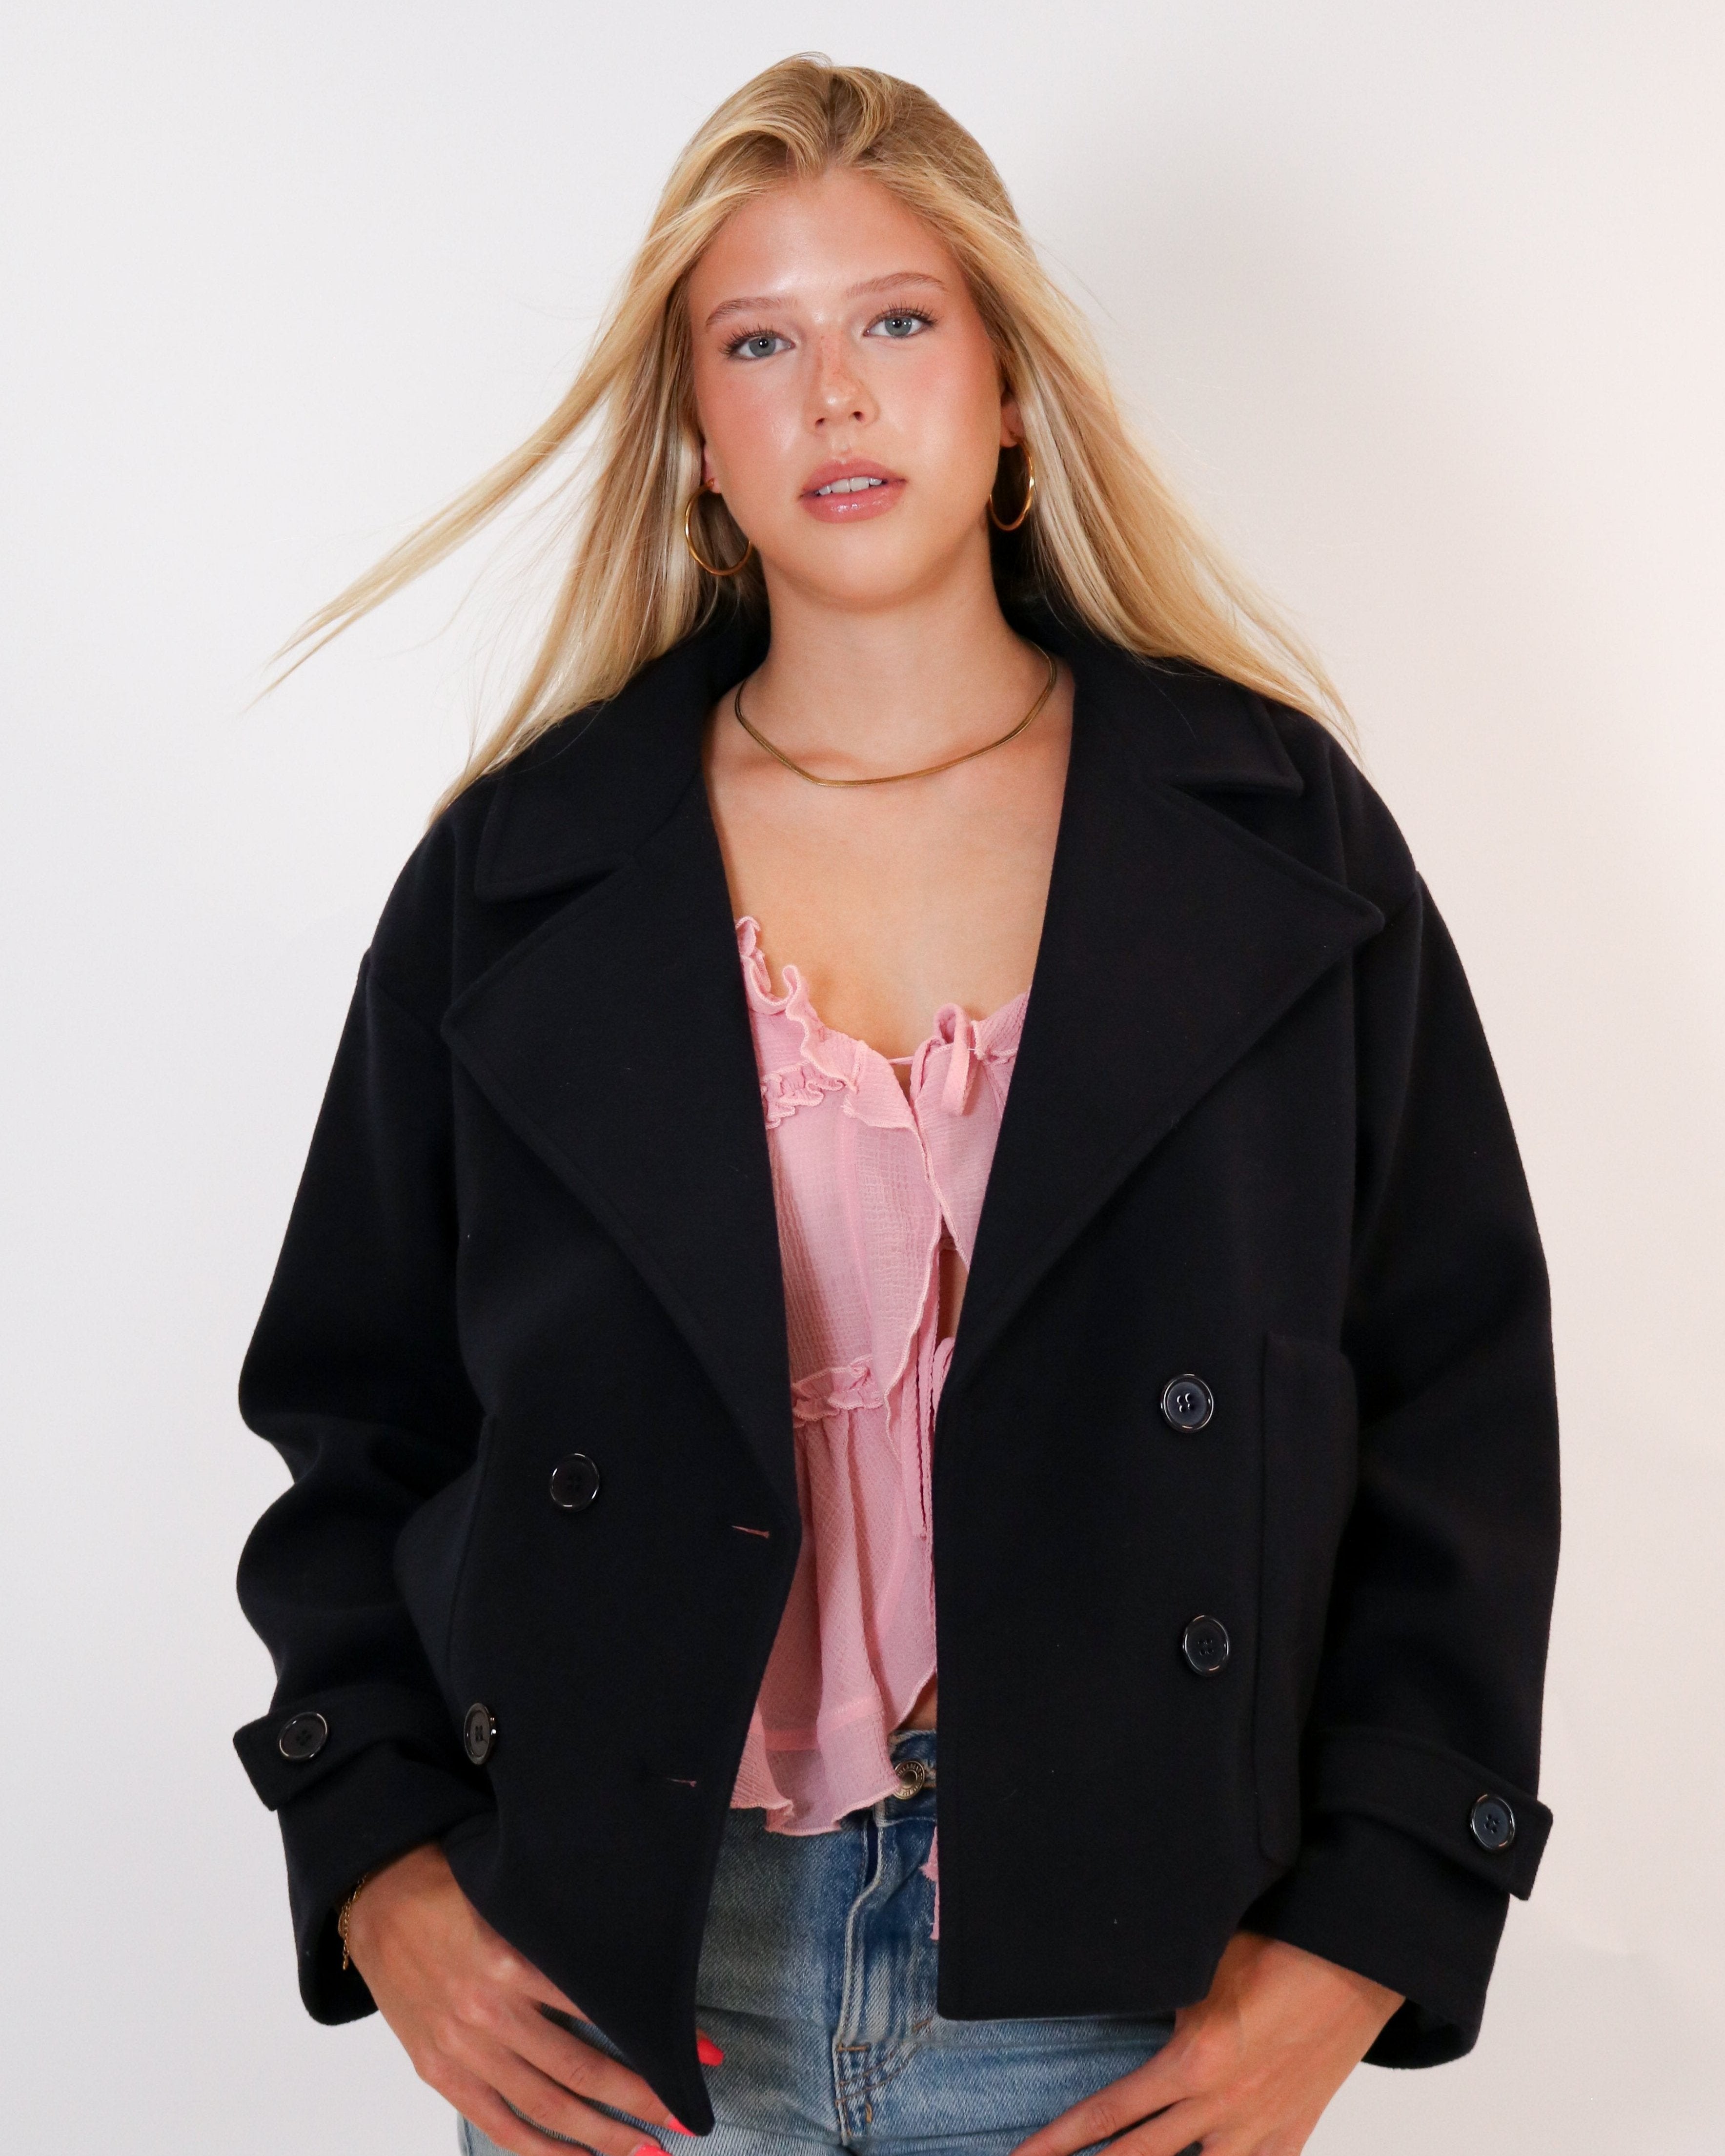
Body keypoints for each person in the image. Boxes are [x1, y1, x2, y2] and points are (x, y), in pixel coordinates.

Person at [233, 56, 1561, 2156]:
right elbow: (356, 1411)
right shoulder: (519, 877)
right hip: (622, 1982)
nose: (833, 394)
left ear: (1010, 388)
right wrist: (381, 1865)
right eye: (757, 343)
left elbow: (1457, 1400)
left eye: (896, 320)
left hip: (1114, 1991)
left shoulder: (1272, 838)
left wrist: (1368, 1933)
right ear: (694, 435)